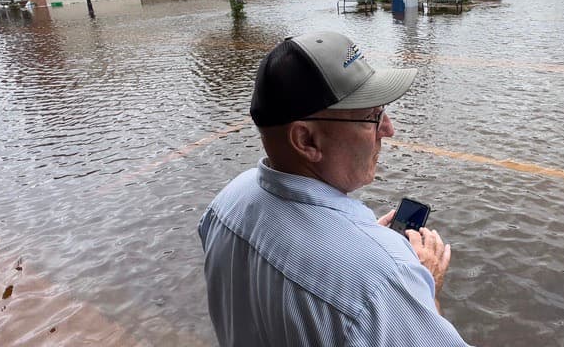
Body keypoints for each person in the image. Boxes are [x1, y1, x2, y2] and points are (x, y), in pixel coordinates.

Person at [198, 31, 470, 346]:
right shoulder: (384, 282)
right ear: (306, 140)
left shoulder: (225, 205)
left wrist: (361, 239)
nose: (388, 129)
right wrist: (423, 291)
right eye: (372, 116)